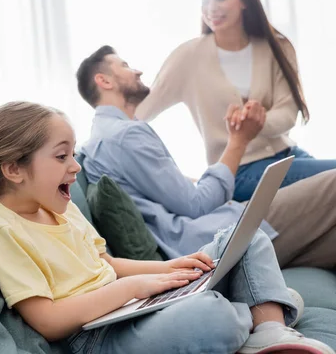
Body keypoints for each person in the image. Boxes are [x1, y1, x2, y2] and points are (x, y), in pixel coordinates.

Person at [0, 101, 333, 354]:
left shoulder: (60, 205)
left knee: (245, 236)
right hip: (99, 334)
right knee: (212, 317)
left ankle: (269, 331)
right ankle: (263, 304)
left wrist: (172, 267)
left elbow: (107, 263)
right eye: (61, 156)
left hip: (132, 304)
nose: (74, 166)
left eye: (73, 154)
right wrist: (131, 289)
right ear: (14, 169)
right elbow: (48, 320)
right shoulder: (1, 232)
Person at [77, 45, 336, 269]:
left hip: (209, 236)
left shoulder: (101, 139)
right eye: (125, 65)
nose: (137, 71)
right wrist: (238, 141)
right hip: (213, 240)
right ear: (105, 81)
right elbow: (197, 205)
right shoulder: (125, 136)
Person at [134, 0, 336, 202]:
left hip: (290, 155)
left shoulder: (276, 47)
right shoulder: (188, 57)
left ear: (245, 0)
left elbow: (288, 113)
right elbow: (140, 115)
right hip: (239, 172)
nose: (211, 8)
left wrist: (256, 123)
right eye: (205, 1)